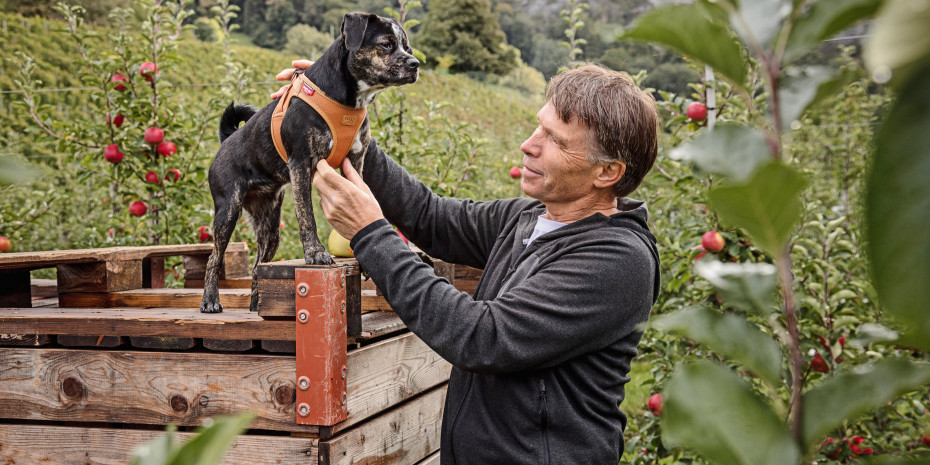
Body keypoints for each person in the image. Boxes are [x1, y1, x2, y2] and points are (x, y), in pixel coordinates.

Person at [275, 60, 660, 464]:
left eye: (556, 140)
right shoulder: (530, 218)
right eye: (539, 126)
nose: (530, 144)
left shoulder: (617, 260)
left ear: (608, 172)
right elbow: (429, 216)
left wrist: (370, 232)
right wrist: (342, 115)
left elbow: (483, 339)